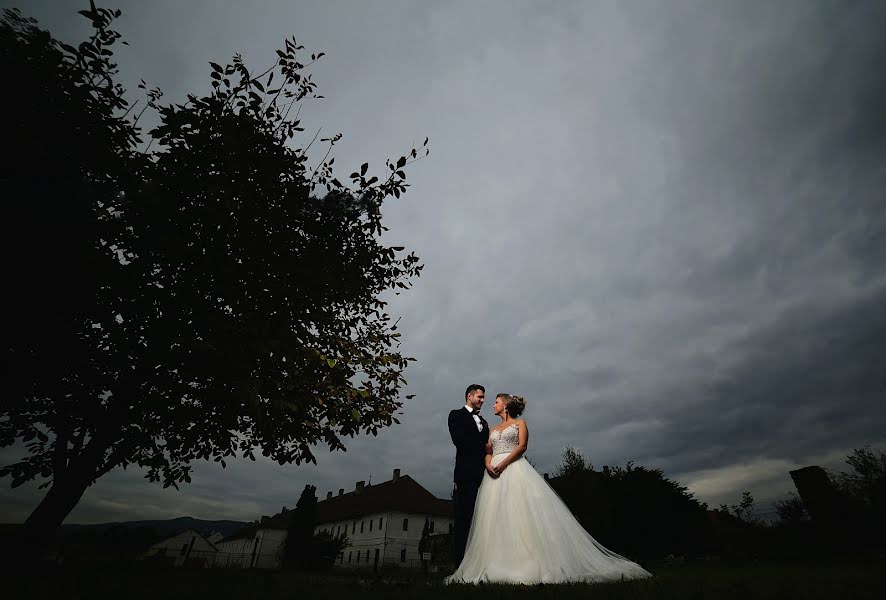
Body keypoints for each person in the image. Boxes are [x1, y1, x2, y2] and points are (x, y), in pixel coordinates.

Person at [445, 393, 652, 585]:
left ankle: (525, 561)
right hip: (493, 475)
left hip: (513, 468)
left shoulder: (520, 423)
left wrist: (504, 463)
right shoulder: (491, 429)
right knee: (495, 518)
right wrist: (489, 464)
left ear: (506, 406)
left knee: (520, 513)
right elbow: (488, 450)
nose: (493, 404)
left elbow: (522, 446)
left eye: (496, 401)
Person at [447, 384, 489, 567]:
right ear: (469, 396)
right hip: (466, 474)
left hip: (486, 476)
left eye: (483, 397)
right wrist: (484, 446)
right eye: (479, 397)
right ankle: (461, 566)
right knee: (465, 519)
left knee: (483, 519)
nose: (482, 400)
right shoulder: (456, 415)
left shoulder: (485, 422)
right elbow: (459, 440)